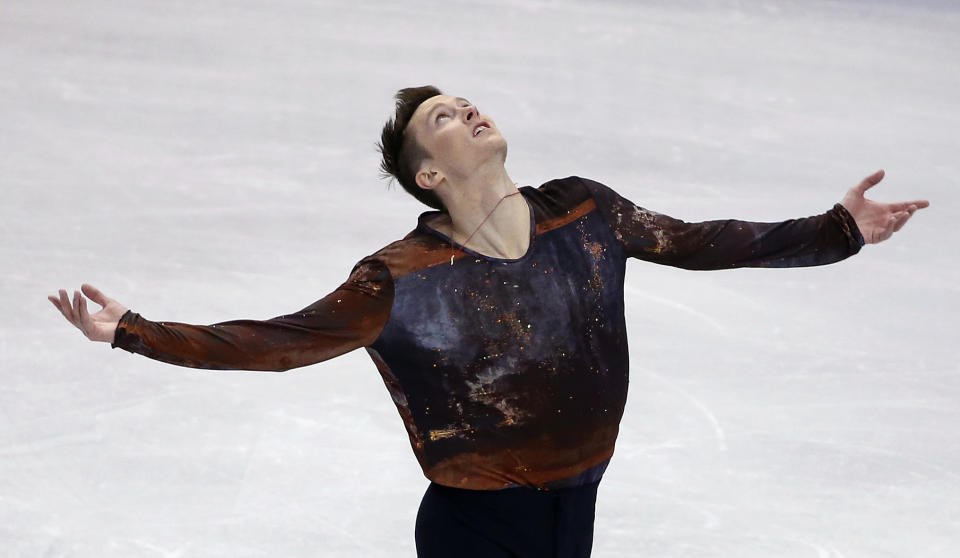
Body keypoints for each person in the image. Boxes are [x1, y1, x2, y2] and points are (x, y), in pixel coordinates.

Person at [49, 85, 929, 557]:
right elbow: (276, 345)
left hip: (576, 508)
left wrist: (839, 229)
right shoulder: (400, 276)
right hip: (477, 528)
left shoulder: (586, 211)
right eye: (443, 118)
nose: (469, 110)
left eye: (467, 101)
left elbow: (703, 241)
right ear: (427, 173)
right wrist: (133, 329)